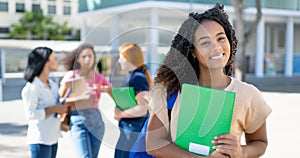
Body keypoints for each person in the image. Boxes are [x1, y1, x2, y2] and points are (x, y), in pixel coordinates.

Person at [146, 4, 272, 158]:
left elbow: (260, 143)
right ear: (192, 51)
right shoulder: (171, 90)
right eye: (205, 42)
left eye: (221, 38)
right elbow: (153, 143)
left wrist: (241, 152)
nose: (217, 47)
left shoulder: (248, 94)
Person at [59, 43, 112, 158]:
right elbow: (59, 101)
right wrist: (80, 98)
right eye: (84, 56)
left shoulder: (99, 77)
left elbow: (113, 93)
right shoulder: (71, 76)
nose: (87, 59)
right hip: (78, 120)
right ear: (78, 59)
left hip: (96, 120)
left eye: (90, 56)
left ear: (94, 58)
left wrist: (105, 89)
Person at [21, 47, 67, 158]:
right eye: (54, 58)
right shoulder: (32, 88)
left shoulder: (53, 85)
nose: (57, 61)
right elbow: (30, 114)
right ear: (46, 62)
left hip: (53, 138)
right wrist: (55, 109)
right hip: (40, 140)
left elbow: (57, 107)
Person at [114, 43, 152, 158]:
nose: (119, 60)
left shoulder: (138, 78)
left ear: (129, 58)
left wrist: (121, 114)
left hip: (132, 129)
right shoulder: (133, 76)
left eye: (121, 57)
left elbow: (143, 108)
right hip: (129, 128)